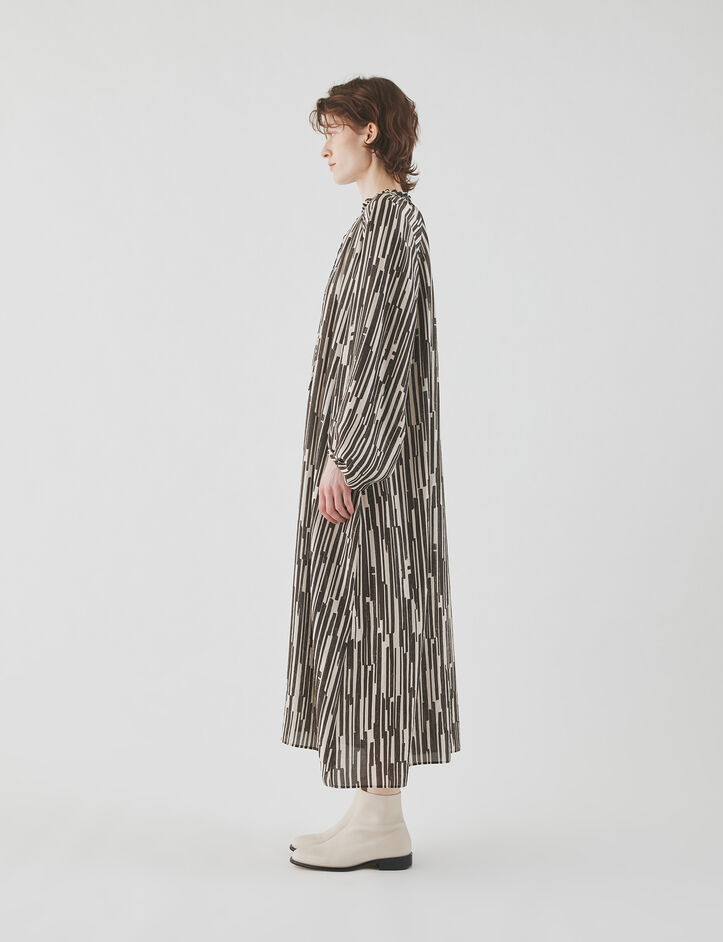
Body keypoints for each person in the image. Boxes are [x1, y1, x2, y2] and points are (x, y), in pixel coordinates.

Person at [281, 76, 460, 872]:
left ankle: (383, 820)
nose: (324, 147)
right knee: (363, 627)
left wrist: (348, 457)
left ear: (371, 132)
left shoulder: (392, 227)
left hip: (374, 477)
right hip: (364, 463)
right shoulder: (375, 225)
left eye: (333, 131)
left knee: (377, 623)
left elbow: (382, 357)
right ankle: (370, 810)